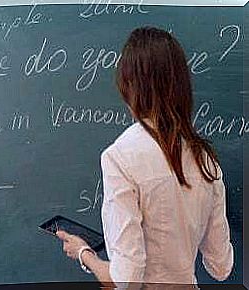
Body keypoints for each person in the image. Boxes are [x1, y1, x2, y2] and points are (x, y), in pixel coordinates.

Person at [57, 27, 234, 288]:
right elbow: (221, 267)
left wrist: (85, 254)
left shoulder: (119, 158)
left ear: (129, 86)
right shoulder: (206, 160)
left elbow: (126, 281)